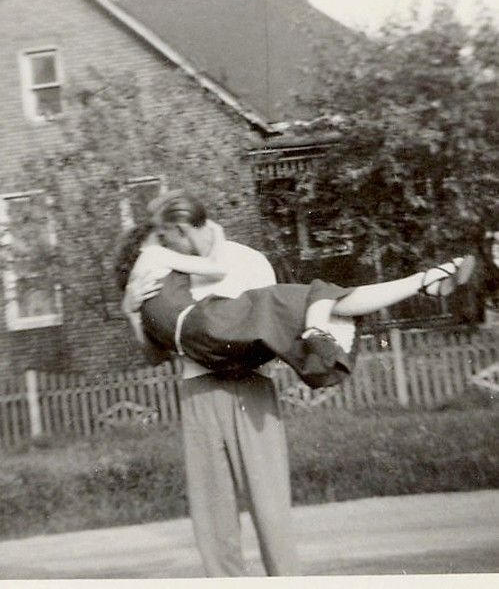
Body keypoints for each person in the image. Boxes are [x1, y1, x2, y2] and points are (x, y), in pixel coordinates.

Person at [117, 197, 476, 390]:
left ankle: (425, 281)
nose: (166, 244)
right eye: (161, 237)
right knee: (311, 298)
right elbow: (217, 267)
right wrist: (216, 231)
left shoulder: (145, 291)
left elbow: (157, 352)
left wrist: (131, 311)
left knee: (313, 303)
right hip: (207, 330)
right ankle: (421, 282)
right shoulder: (156, 257)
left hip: (209, 345)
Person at [121, 190, 300, 577]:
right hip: (199, 394)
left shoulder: (249, 261)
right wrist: (132, 313)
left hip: (251, 389)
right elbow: (154, 355)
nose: (164, 246)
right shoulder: (165, 274)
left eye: (168, 237)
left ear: (182, 230)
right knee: (213, 519)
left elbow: (272, 334)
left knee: (271, 511)